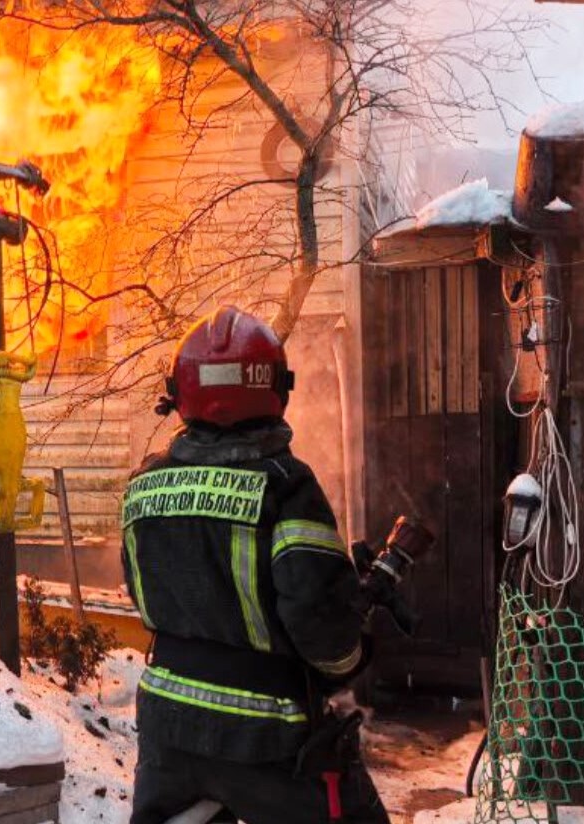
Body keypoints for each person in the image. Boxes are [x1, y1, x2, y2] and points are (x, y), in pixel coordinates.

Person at [122, 306, 389, 824]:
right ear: (276, 388)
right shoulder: (287, 486)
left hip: (167, 732)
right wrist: (351, 650)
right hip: (265, 738)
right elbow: (320, 626)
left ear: (177, 393)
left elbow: (149, 597)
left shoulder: (143, 485)